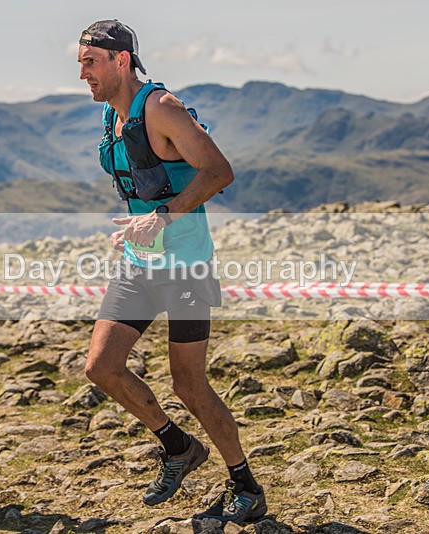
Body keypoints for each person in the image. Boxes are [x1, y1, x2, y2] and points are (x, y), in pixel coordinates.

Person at [77, 20, 268, 524]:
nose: (82, 74)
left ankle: (244, 482)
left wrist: (161, 217)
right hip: (139, 265)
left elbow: (219, 171)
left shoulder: (160, 108)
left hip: (185, 265)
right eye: (79, 63)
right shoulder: (110, 116)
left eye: (90, 62)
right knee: (101, 367)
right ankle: (178, 446)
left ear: (121, 60)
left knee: (189, 383)